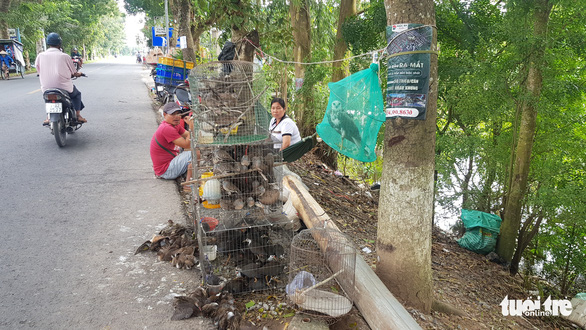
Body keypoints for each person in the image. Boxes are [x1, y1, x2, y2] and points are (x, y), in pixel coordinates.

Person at [35, 32, 87, 125]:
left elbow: (38, 70)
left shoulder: (40, 56)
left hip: (46, 87)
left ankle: (48, 117)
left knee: (47, 99)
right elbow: (74, 72)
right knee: (77, 94)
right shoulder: (65, 56)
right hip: (64, 87)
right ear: (59, 43)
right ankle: (78, 115)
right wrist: (78, 74)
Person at [150, 102, 193, 188]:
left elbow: (187, 135)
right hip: (165, 171)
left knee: (192, 150)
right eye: (172, 114)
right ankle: (188, 184)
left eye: (178, 114)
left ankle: (187, 178)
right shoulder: (167, 128)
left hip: (167, 166)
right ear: (165, 115)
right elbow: (186, 144)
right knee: (195, 153)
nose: (176, 117)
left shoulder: (174, 125)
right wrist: (191, 126)